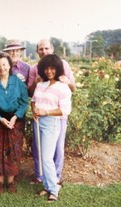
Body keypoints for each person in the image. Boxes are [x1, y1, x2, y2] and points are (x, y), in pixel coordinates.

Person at [28, 39, 75, 185]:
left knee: (58, 146)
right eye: (41, 49)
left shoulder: (63, 64)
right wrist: (35, 82)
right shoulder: (34, 68)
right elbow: (30, 93)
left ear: (52, 49)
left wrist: (68, 82)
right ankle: (40, 175)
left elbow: (72, 88)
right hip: (40, 115)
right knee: (38, 146)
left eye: (47, 48)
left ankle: (56, 176)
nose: (44, 51)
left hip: (58, 114)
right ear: (37, 51)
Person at [0, 39, 30, 183]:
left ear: (9, 65)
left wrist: (16, 117)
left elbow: (24, 98)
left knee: (13, 150)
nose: (2, 68)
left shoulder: (24, 71)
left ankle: (11, 180)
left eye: (4, 65)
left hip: (15, 118)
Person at [31, 54, 72, 202]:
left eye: (52, 68)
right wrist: (34, 111)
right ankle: (48, 186)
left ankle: (54, 189)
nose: (49, 71)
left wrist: (46, 112)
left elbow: (65, 110)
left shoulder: (63, 88)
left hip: (52, 123)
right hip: (38, 122)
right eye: (46, 68)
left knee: (47, 158)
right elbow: (34, 100)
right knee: (42, 157)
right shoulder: (41, 84)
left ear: (58, 69)